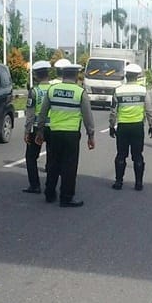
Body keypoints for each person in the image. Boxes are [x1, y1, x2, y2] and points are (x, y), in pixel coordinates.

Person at [35, 60, 95, 207]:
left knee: (53, 164)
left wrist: (40, 131)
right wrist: (91, 135)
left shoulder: (52, 90)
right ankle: (66, 197)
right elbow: (88, 117)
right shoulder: (80, 92)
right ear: (76, 76)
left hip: (54, 133)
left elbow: (43, 113)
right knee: (69, 166)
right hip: (71, 135)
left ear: (63, 75)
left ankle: (49, 194)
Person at [109, 64, 152, 190]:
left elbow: (113, 111)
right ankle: (138, 183)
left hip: (123, 126)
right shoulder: (143, 90)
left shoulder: (118, 90)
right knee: (138, 155)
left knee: (121, 155)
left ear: (126, 76)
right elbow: (149, 110)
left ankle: (118, 182)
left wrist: (111, 126)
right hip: (137, 127)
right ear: (137, 76)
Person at [22, 60, 52, 194]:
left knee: (31, 157)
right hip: (52, 127)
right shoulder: (54, 89)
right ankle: (50, 185)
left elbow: (30, 113)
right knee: (52, 157)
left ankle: (35, 185)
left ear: (36, 76)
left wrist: (27, 131)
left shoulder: (34, 91)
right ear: (48, 74)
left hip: (36, 128)